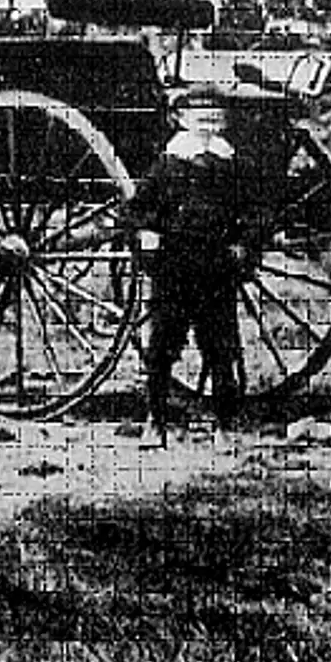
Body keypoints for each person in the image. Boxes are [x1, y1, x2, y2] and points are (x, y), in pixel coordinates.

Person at [126, 82, 250, 444]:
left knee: (220, 346)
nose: (209, 124)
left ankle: (225, 425)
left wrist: (243, 243)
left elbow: (251, 211)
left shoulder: (232, 164)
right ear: (182, 119)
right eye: (201, 118)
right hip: (174, 265)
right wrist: (148, 234)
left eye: (216, 118)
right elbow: (136, 209)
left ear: (225, 122)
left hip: (215, 266)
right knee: (163, 344)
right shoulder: (169, 162)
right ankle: (156, 420)